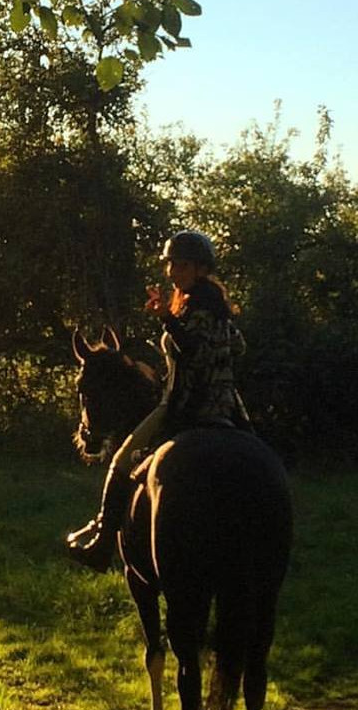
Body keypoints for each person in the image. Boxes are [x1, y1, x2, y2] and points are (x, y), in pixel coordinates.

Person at [66, 230, 250, 572]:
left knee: (121, 461)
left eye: (179, 266)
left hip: (188, 406)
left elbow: (191, 349)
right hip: (227, 405)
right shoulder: (217, 308)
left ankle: (102, 542)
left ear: (199, 269)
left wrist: (166, 318)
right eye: (170, 265)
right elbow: (236, 348)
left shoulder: (196, 308)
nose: (172, 272)